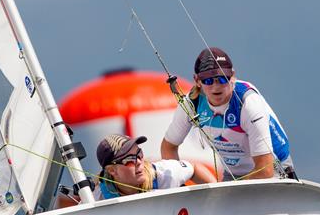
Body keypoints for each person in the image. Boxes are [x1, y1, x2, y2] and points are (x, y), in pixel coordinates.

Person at [161, 47, 296, 181]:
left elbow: (265, 170)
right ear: (197, 81)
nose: (216, 86)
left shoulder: (248, 103)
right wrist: (179, 183)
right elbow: (168, 147)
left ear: (232, 76)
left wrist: (233, 191)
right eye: (207, 80)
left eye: (222, 79)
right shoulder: (191, 104)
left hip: (274, 170)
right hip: (233, 175)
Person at [95, 134, 216, 199]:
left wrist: (217, 196)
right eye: (129, 159)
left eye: (139, 154)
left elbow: (194, 168)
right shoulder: (98, 196)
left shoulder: (163, 173)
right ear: (112, 170)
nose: (138, 161)